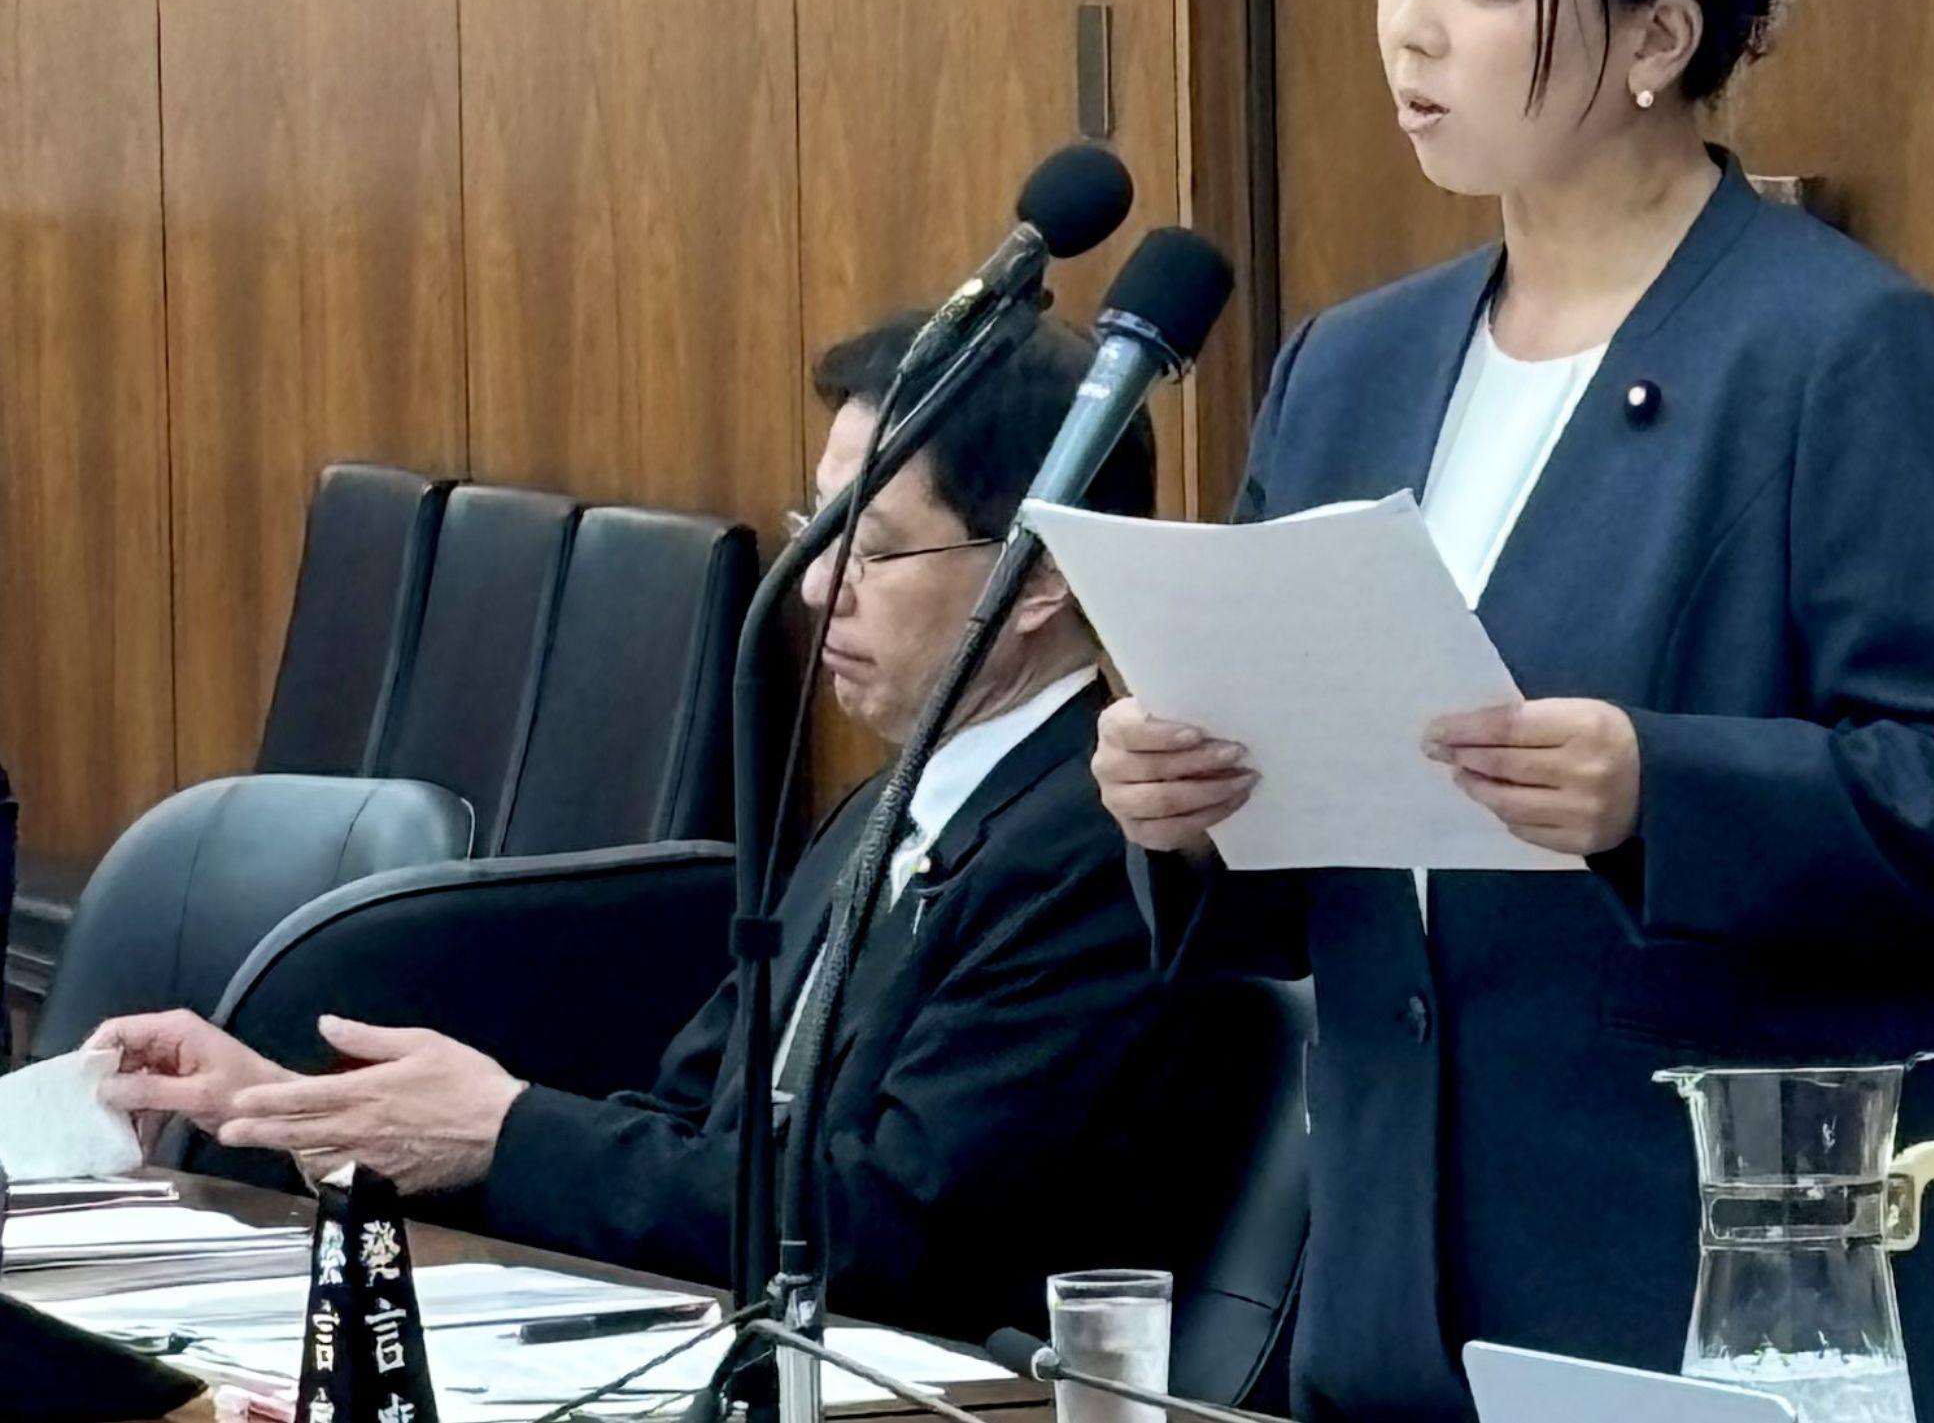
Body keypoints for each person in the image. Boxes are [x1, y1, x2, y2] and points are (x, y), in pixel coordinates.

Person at [1097, 0, 1934, 1422]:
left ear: (1657, 34)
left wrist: (1656, 792)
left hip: (1710, 1289)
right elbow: (1321, 877)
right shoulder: (1351, 365)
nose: (1411, 19)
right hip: (1398, 1293)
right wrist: (1182, 812)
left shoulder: (1840, 352)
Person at [96, 312, 1176, 1335]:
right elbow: (690, 1135)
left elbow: (890, 1231)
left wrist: (503, 1132)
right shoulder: (886, 809)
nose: (815, 589)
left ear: (1038, 579)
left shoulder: (1097, 849)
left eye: (873, 549)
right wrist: (309, 1114)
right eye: (817, 529)